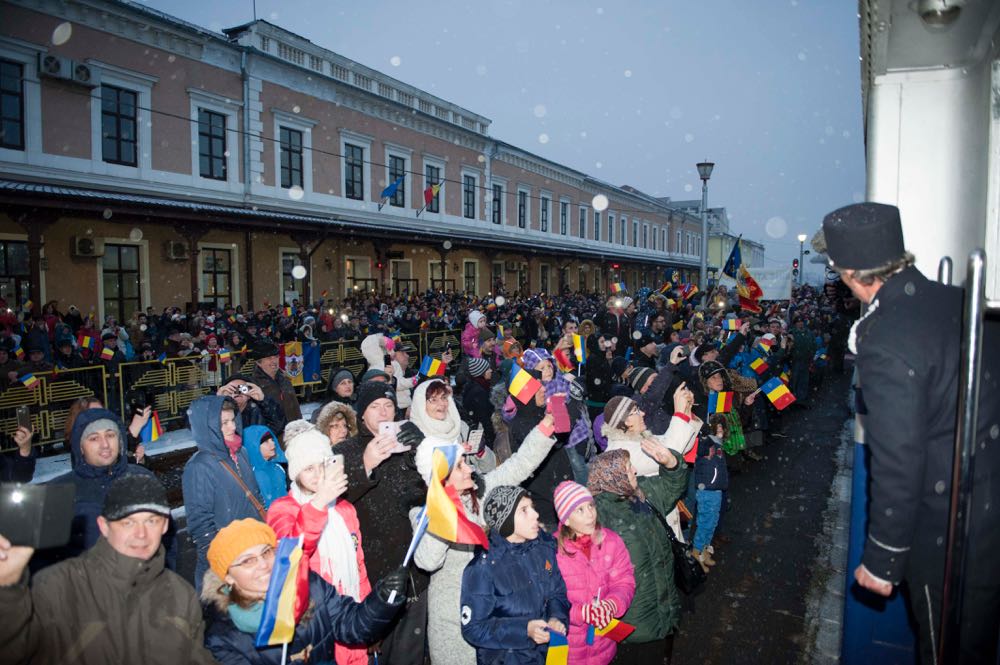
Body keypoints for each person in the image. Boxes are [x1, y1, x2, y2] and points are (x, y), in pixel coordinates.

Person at [823, 203, 1000, 664]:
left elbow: (898, 456)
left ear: (850, 273)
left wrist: (882, 558)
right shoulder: (952, 297)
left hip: (948, 525)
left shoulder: (885, 336)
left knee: (945, 648)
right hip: (987, 501)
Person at [0, 474, 218, 665]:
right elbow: (13, 651)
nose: (141, 534)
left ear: (164, 526)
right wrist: (7, 589)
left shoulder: (182, 594)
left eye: (151, 521)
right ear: (104, 526)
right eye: (128, 523)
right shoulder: (60, 585)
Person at [408, 411, 558, 665]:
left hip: (495, 615)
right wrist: (444, 506)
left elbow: (518, 466)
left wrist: (543, 430)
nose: (469, 468)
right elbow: (428, 561)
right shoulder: (423, 514)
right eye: (459, 465)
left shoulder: (481, 495)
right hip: (454, 623)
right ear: (441, 475)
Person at [201, 519, 407, 664]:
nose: (263, 565)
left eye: (266, 552)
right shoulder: (223, 636)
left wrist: (382, 600)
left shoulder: (308, 584)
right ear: (228, 577)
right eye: (247, 561)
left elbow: (351, 625)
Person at [335, 381, 428, 665]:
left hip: (418, 567)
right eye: (374, 407)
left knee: (421, 648)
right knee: (391, 651)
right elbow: (338, 498)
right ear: (362, 414)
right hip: (377, 571)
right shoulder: (346, 449)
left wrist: (422, 448)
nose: (384, 413)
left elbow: (434, 487)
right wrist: (366, 462)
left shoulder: (409, 444)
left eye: (389, 405)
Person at [267, 423, 372, 665]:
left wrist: (366, 618)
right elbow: (292, 557)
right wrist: (318, 505)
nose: (317, 475)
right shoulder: (284, 509)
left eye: (322, 465)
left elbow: (359, 566)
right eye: (308, 468)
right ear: (296, 472)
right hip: (312, 622)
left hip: (349, 615)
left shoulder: (344, 509)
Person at [588, 448, 687, 664]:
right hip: (632, 622)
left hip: (664, 608)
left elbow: (672, 486)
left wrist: (672, 463)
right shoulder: (598, 515)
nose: (634, 469)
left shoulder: (642, 492)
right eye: (627, 468)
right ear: (612, 477)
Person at [460, 486, 571, 665]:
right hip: (505, 660)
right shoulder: (482, 569)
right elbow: (473, 628)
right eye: (524, 510)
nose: (535, 515)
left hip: (544, 656)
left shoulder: (542, 550)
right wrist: (524, 630)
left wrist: (556, 617)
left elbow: (556, 592)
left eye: (532, 507)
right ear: (506, 521)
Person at [182, 395, 266, 591]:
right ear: (207, 428)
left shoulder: (241, 453)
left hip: (250, 552)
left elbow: (255, 495)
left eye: (232, 420)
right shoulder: (199, 465)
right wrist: (224, 559)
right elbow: (201, 525)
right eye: (223, 423)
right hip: (224, 564)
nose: (231, 428)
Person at [51, 407, 157, 559]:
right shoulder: (61, 492)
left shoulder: (143, 478)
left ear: (120, 440)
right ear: (80, 447)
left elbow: (164, 539)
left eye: (110, 435)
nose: (105, 444)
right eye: (94, 438)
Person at [552, 480, 636, 665]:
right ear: (565, 519)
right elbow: (547, 599)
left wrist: (612, 604)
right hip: (567, 650)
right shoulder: (552, 553)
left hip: (603, 646)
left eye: (591, 505)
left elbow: (624, 581)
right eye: (580, 510)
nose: (590, 514)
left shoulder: (611, 541)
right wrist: (581, 614)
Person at [691, 415, 730, 572]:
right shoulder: (707, 442)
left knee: (712, 523)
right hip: (707, 491)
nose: (719, 428)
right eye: (717, 425)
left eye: (722, 425)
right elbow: (701, 450)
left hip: (717, 490)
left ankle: (705, 550)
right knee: (705, 523)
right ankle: (696, 552)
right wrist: (707, 434)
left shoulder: (720, 445)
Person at [218, 374, 287, 444]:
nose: (237, 393)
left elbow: (278, 425)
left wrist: (263, 400)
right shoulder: (219, 412)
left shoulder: (258, 412)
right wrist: (217, 401)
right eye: (232, 389)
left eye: (242, 389)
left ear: (249, 395)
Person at [250, 339, 302, 424]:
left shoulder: (284, 379)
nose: (274, 361)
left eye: (276, 357)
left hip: (293, 431)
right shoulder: (254, 385)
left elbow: (295, 407)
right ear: (259, 363)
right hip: (271, 434)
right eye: (269, 358)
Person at [241, 425, 288, 509]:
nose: (272, 444)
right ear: (253, 447)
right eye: (266, 442)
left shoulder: (278, 468)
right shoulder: (250, 474)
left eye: (272, 440)